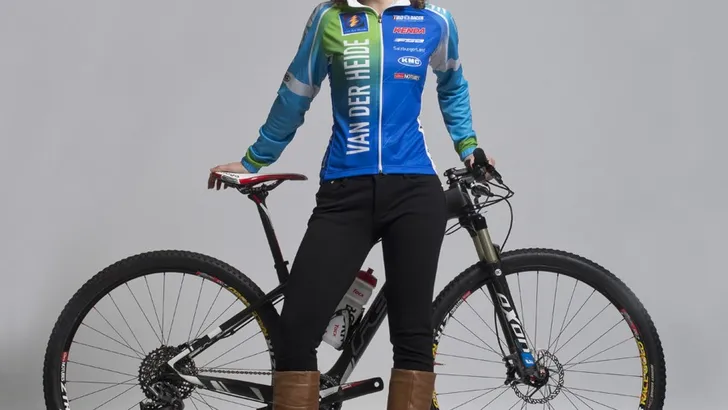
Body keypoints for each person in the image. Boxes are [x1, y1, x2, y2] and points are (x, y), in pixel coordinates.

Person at [208, 0, 493, 408]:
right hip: (345, 191)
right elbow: (296, 92)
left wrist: (468, 147)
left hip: (414, 190)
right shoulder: (330, 17)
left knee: (413, 338)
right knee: (295, 333)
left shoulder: (435, 19)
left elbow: (452, 84)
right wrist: (255, 160)